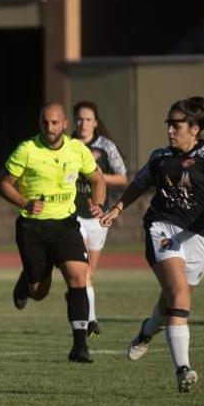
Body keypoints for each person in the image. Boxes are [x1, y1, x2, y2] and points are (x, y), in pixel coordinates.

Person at [100, 97, 204, 392]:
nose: (169, 130)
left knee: (171, 301)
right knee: (179, 295)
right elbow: (139, 184)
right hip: (162, 228)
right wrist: (116, 210)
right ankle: (183, 369)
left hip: (201, 238)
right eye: (168, 124)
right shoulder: (159, 158)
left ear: (195, 128)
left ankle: (146, 332)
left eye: (176, 125)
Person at [0, 103, 107, 363]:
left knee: (80, 277)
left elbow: (97, 180)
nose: (50, 128)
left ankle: (80, 346)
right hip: (32, 228)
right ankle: (27, 280)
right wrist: (24, 203)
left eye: (55, 122)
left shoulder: (77, 150)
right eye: (45, 122)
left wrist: (98, 204)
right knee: (39, 292)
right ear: (40, 123)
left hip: (66, 225)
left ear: (65, 124)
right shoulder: (27, 150)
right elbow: (2, 184)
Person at [72, 101, 128, 337]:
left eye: (87, 119)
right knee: (82, 271)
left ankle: (88, 315)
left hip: (98, 217)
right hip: (72, 216)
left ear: (95, 122)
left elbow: (122, 178)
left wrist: (97, 177)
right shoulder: (69, 145)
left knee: (89, 275)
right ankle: (89, 321)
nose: (83, 123)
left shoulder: (105, 146)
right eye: (79, 119)